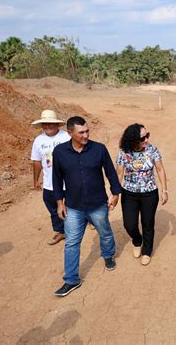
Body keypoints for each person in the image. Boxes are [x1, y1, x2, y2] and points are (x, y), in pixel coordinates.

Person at [52, 116, 122, 297]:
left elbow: (111, 173)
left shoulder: (99, 149)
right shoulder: (60, 152)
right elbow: (57, 179)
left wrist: (115, 194)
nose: (86, 135)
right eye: (81, 132)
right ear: (70, 133)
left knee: (105, 233)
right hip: (73, 207)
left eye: (87, 131)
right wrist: (59, 203)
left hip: (97, 204)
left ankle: (108, 255)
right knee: (71, 243)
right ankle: (71, 280)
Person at [116, 123, 168, 266]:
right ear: (132, 140)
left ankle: (147, 251)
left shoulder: (152, 150)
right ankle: (137, 240)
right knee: (129, 224)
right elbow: (119, 173)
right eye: (142, 138)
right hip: (129, 193)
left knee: (148, 223)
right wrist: (114, 194)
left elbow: (160, 170)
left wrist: (165, 190)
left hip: (149, 193)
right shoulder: (123, 152)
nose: (146, 140)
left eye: (147, 135)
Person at [30, 110, 70, 245]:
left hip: (70, 181)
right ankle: (61, 231)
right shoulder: (38, 140)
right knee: (53, 208)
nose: (48, 126)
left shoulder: (66, 137)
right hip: (50, 183)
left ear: (57, 124)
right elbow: (36, 161)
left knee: (77, 204)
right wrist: (36, 180)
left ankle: (89, 220)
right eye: (45, 124)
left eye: (51, 123)